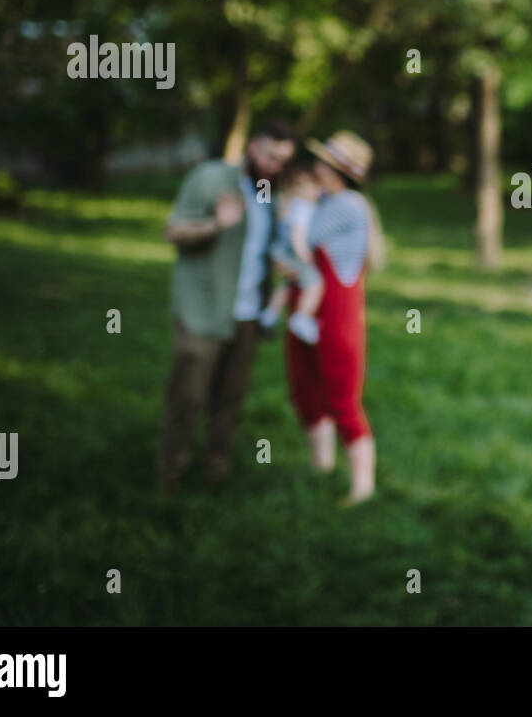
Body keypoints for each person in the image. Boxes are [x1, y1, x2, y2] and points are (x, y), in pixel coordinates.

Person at [157, 119, 297, 492]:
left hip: (247, 315)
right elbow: (174, 232)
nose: (273, 166)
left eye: (282, 161)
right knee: (187, 399)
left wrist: (280, 261)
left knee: (230, 401)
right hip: (202, 309)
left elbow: (263, 245)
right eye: (269, 155)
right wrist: (216, 224)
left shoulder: (269, 190)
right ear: (253, 147)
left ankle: (216, 475)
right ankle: (170, 476)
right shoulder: (211, 178)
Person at [283, 130, 384, 505]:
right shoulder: (324, 201)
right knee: (306, 392)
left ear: (339, 171)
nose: (315, 168)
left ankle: (363, 486)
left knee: (341, 400)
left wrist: (298, 208)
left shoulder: (347, 205)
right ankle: (320, 469)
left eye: (323, 163)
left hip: (335, 320)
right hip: (306, 311)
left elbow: (300, 242)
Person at [259, 159, 324, 345]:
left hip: (280, 252)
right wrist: (305, 256)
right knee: (315, 284)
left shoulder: (289, 203)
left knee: (287, 286)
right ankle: (302, 317)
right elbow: (298, 234)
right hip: (292, 253)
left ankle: (269, 313)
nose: (318, 192)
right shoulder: (303, 208)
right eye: (315, 187)